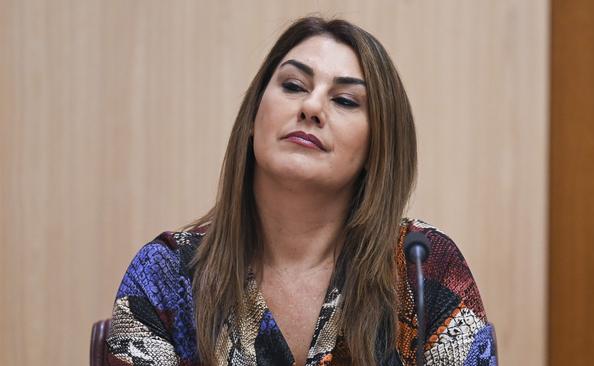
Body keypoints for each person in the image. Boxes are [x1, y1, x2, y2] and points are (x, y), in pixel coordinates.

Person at [106, 16, 497, 366]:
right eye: (293, 86)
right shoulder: (166, 274)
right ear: (252, 119)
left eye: (344, 100)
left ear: (376, 149)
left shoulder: (423, 267)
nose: (311, 107)